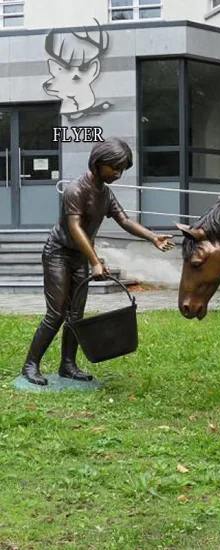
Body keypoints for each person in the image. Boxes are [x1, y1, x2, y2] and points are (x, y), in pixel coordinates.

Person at [21, 137, 175, 386]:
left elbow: (124, 220)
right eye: (115, 167)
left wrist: (152, 237)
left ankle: (67, 365)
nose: (118, 173)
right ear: (98, 162)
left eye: (123, 169)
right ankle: (30, 365)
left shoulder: (106, 193)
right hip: (58, 253)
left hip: (80, 255)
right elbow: (75, 229)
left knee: (75, 314)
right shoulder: (76, 190)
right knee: (56, 313)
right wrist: (95, 261)